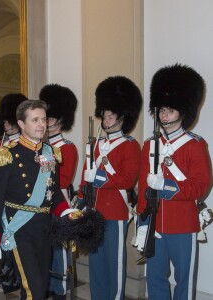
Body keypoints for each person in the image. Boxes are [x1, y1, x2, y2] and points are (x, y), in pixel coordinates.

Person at [0, 99, 74, 300]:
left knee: (36, 285)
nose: (41, 124)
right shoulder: (7, 155)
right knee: (35, 289)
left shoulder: (50, 153)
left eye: (43, 119)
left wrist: (66, 211)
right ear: (22, 124)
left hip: (45, 228)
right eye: (35, 120)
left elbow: (54, 192)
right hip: (19, 229)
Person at [136, 64, 211, 299]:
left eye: (170, 110)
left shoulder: (195, 144)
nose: (164, 115)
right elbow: (143, 187)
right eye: (161, 109)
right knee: (155, 278)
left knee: (183, 282)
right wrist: (142, 219)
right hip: (155, 223)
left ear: (183, 111)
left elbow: (201, 185)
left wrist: (167, 186)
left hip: (183, 224)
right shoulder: (149, 144)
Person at [78, 76, 142, 299]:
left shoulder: (130, 145)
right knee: (96, 261)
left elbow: (127, 180)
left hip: (115, 212)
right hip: (94, 210)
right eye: (104, 115)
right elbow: (85, 179)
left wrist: (100, 178)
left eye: (111, 116)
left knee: (114, 262)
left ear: (122, 118)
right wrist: (80, 199)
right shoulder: (94, 145)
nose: (106, 120)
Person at [39, 83, 78, 300]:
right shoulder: (39, 146)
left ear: (61, 120)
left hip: (59, 202)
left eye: (52, 118)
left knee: (61, 253)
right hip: (40, 204)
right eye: (47, 118)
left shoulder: (67, 147)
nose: (48, 122)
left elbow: (62, 179)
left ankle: (61, 290)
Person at [0, 93, 27, 293]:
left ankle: (18, 278)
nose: (5, 123)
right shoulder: (2, 143)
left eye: (8, 119)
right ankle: (9, 277)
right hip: (3, 202)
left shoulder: (22, 144)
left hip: (17, 202)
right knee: (6, 242)